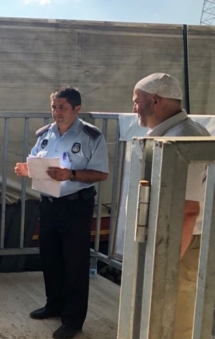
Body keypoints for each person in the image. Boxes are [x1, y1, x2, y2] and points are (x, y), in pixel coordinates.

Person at [14, 87, 109, 339]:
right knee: (51, 256)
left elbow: (101, 174)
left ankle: (73, 320)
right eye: (54, 107)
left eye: (62, 107)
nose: (57, 112)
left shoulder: (92, 136)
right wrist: (26, 169)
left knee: (75, 262)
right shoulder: (45, 134)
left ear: (77, 109)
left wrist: (72, 174)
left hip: (76, 204)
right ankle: (54, 305)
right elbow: (37, 161)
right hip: (49, 203)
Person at [132, 72, 210, 339]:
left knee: (177, 324)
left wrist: (165, 264)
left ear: (155, 101)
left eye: (136, 101)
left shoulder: (185, 139)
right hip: (175, 241)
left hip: (182, 244)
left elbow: (188, 211)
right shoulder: (175, 133)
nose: (134, 109)